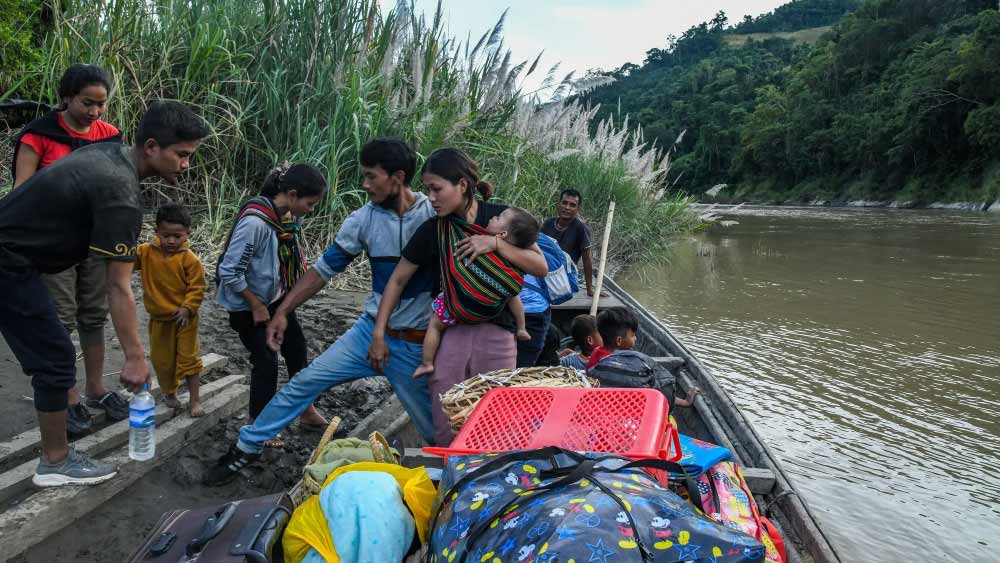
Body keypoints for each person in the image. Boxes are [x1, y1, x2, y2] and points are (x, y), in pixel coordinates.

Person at [204, 138, 438, 486]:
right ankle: (247, 446)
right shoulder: (363, 220)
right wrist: (283, 310)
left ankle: (453, 473)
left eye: (371, 176)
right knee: (304, 382)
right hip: (367, 333)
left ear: (398, 177)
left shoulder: (433, 216)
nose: (365, 184)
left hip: (414, 344)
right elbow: (322, 272)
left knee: (434, 426)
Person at [0, 100, 207, 486]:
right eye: (181, 154)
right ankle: (56, 462)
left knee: (53, 351)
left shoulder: (110, 154)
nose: (186, 164)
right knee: (56, 357)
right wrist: (134, 357)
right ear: (150, 147)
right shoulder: (121, 195)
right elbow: (118, 285)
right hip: (9, 264)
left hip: (15, 259)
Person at [369, 148, 548, 446]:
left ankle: (489, 472)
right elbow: (398, 279)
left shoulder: (500, 220)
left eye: (437, 189)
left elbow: (540, 267)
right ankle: (449, 470)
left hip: (498, 330)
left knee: (496, 409)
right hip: (452, 326)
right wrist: (378, 331)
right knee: (447, 404)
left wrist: (494, 244)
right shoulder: (434, 230)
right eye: (428, 189)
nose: (431, 197)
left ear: (462, 185)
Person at [11, 63, 128, 434]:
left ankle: (96, 388)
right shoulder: (38, 136)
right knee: (59, 317)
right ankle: (70, 397)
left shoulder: (110, 136)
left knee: (93, 315)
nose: (94, 112)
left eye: (101, 104)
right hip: (52, 244)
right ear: (66, 98)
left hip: (94, 241)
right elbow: (21, 194)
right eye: (86, 103)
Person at [216, 162, 329, 441]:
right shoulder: (255, 223)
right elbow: (229, 271)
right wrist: (255, 305)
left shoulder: (288, 217)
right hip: (248, 306)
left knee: (297, 348)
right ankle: (257, 424)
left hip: (275, 299)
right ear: (291, 194)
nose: (311, 210)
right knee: (266, 361)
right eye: (310, 203)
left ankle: (305, 409)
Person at [414, 206, 540, 377]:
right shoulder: (512, 254)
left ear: (502, 235)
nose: (494, 216)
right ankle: (522, 327)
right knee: (513, 295)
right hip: (493, 306)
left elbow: (542, 267)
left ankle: (426, 363)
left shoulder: (473, 237)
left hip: (456, 306)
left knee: (435, 325)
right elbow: (514, 280)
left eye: (499, 218)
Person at [134, 203, 207, 417]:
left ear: (187, 234)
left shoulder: (190, 259)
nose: (171, 241)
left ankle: (195, 400)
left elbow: (198, 287)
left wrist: (188, 307)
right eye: (166, 236)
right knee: (162, 361)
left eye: (177, 236)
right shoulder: (146, 252)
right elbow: (126, 261)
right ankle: (170, 392)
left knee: (189, 360)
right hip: (159, 320)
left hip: (185, 320)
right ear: (156, 232)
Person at [588, 307, 699, 409]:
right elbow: (653, 391)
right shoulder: (623, 365)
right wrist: (685, 402)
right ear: (619, 341)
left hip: (599, 403)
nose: (635, 338)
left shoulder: (596, 352)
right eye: (633, 335)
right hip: (618, 407)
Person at [541, 189, 596, 296]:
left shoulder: (581, 228)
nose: (567, 207)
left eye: (572, 205)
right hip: (545, 272)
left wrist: (590, 289)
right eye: (564, 203)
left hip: (565, 276)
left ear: (578, 209)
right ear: (559, 204)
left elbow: (587, 258)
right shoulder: (548, 223)